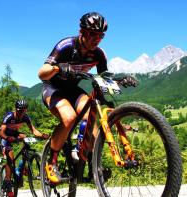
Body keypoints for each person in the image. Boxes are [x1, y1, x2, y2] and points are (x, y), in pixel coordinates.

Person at [38, 12, 137, 184]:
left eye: (100, 35)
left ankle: (92, 165)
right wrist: (58, 68)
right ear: (81, 32)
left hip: (72, 90)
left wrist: (121, 81)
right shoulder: (66, 45)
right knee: (69, 118)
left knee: (92, 116)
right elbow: (42, 73)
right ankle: (51, 163)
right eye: (92, 34)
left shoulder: (99, 54)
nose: (96, 39)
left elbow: (104, 79)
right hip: (53, 88)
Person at [0, 99, 49, 191]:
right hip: (5, 137)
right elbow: (1, 132)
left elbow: (34, 131)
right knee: (10, 157)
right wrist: (7, 138)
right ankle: (7, 181)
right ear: (16, 109)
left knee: (25, 137)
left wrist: (42, 135)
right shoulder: (9, 116)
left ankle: (22, 166)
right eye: (19, 110)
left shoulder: (25, 117)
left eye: (24, 110)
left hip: (15, 134)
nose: (21, 113)